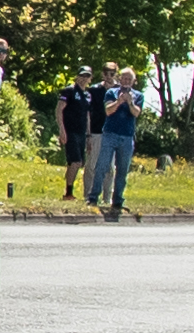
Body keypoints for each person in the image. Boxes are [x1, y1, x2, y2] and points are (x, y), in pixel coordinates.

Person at [90, 68, 142, 221]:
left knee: (122, 170)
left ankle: (117, 200)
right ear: (120, 79)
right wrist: (119, 102)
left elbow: (136, 113)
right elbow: (108, 111)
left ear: (133, 81)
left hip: (126, 137)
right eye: (124, 78)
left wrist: (130, 102)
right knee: (102, 166)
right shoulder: (111, 93)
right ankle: (93, 197)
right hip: (110, 134)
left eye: (129, 79)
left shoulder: (138, 96)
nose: (126, 82)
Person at [59, 66, 97, 200]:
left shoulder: (87, 95)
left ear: (90, 79)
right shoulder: (69, 91)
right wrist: (61, 129)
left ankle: (69, 189)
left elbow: (87, 115)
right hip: (70, 131)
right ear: (77, 76)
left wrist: (88, 136)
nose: (84, 79)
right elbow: (59, 110)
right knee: (75, 161)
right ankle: (68, 192)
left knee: (78, 163)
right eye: (82, 76)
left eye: (87, 76)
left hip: (81, 132)